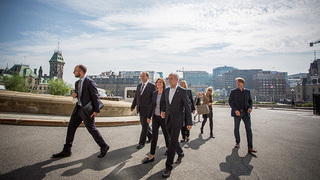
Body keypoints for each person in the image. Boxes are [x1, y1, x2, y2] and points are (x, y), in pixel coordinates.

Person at [52, 65, 109, 158]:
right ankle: (67, 150)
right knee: (71, 128)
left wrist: (96, 110)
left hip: (87, 111)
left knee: (92, 129)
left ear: (81, 72)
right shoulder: (77, 83)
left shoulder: (90, 82)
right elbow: (81, 95)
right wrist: (75, 95)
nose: (74, 72)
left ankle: (104, 146)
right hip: (78, 109)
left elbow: (95, 97)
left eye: (75, 71)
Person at [160, 73, 192, 178]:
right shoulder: (166, 90)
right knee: (172, 139)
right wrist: (163, 111)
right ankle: (181, 153)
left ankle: (168, 167)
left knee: (172, 142)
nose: (169, 80)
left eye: (171, 78)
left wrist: (189, 122)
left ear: (177, 80)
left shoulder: (183, 91)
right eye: (168, 79)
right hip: (168, 119)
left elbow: (188, 107)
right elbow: (165, 103)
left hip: (178, 120)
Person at [143, 78, 170, 163]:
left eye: (160, 82)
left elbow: (168, 104)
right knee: (154, 136)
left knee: (166, 134)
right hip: (155, 117)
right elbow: (152, 105)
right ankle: (151, 155)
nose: (159, 83)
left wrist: (164, 111)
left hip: (163, 117)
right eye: (157, 82)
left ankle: (168, 149)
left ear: (163, 84)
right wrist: (149, 116)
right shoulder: (154, 93)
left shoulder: (166, 92)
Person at [228, 77, 257, 154]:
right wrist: (235, 110)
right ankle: (237, 142)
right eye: (237, 82)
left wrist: (250, 108)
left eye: (239, 82)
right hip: (237, 113)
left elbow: (250, 101)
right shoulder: (233, 92)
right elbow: (230, 102)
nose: (237, 83)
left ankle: (250, 147)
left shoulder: (247, 92)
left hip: (245, 113)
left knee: (248, 129)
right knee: (236, 129)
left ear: (243, 83)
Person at [131, 71, 156, 149]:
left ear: (147, 77)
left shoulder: (152, 86)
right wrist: (133, 106)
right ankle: (151, 136)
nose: (142, 78)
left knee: (144, 126)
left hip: (148, 109)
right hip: (140, 109)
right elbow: (136, 97)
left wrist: (152, 110)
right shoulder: (139, 86)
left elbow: (153, 99)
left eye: (143, 76)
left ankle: (142, 142)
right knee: (144, 125)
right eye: (141, 76)